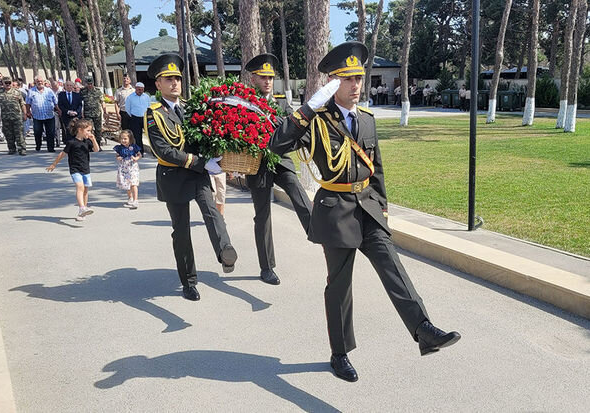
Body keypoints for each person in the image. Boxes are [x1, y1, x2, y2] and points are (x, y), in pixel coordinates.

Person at [270, 41, 461, 383]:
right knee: (339, 286)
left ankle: (423, 330)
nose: (356, 85)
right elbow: (277, 144)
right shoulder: (316, 121)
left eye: (359, 77)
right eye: (347, 79)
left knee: (393, 267)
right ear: (332, 83)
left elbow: (378, 171)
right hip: (335, 211)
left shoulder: (368, 121)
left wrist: (384, 210)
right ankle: (339, 353)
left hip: (369, 209)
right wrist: (307, 109)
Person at [145, 53, 238, 301]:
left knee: (211, 210)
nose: (175, 83)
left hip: (197, 174)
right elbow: (163, 150)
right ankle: (189, 281)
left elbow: (204, 138)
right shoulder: (154, 113)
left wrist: (219, 155)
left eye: (177, 78)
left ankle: (225, 251)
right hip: (174, 176)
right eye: (169, 79)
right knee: (182, 230)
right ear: (158, 84)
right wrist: (200, 162)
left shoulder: (190, 108)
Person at [244, 53, 312, 285]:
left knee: (296, 189)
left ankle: (315, 228)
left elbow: (295, 128)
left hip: (280, 160)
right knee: (262, 216)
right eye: (263, 77)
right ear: (253, 79)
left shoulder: (282, 102)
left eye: (270, 77)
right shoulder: (243, 103)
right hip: (257, 165)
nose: (268, 81)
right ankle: (267, 267)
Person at [46, 118, 99, 221]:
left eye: (90, 131)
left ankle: (83, 211)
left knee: (85, 190)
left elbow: (96, 150)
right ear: (80, 130)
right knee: (80, 187)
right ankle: (82, 208)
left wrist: (93, 139)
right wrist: (54, 164)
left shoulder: (87, 142)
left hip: (86, 169)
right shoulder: (72, 143)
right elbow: (62, 153)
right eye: (88, 130)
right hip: (75, 169)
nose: (90, 133)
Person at [0, 76, 27, 155]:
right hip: (5, 117)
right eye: (6, 83)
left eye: (9, 83)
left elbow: (22, 104)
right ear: (3, 83)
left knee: (19, 133)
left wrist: (25, 114)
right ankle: (11, 148)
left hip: (17, 117)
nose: (8, 84)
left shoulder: (17, 92)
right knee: (8, 134)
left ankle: (22, 149)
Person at [26, 75, 59, 152]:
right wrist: (28, 112)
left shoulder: (49, 91)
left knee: (50, 132)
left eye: (41, 81)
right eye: (38, 81)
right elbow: (28, 103)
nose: (40, 83)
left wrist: (58, 109)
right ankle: (38, 145)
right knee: (37, 132)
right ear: (35, 82)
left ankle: (51, 147)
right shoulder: (31, 91)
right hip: (37, 116)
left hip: (49, 115)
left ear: (43, 82)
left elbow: (55, 102)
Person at [114, 129, 141, 209]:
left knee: (133, 183)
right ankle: (130, 197)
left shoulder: (134, 147)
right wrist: (118, 157)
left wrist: (136, 158)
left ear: (130, 139)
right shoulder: (119, 148)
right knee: (127, 184)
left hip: (132, 166)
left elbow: (139, 155)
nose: (123, 140)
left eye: (125, 139)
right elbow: (117, 155)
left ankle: (136, 200)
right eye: (122, 138)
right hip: (124, 167)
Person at [80, 76, 107, 149]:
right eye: (88, 84)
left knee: (98, 130)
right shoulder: (82, 92)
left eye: (91, 84)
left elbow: (102, 102)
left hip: (97, 114)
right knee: (89, 130)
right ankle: (89, 145)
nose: (89, 85)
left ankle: (97, 145)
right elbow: (79, 102)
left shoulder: (98, 91)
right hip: (88, 114)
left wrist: (105, 112)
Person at [125, 82, 150, 155]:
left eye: (142, 90)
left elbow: (149, 106)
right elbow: (127, 109)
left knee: (150, 135)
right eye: (139, 89)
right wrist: (133, 115)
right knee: (138, 136)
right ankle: (140, 152)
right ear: (135, 89)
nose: (140, 91)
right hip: (135, 118)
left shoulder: (146, 97)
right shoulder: (130, 97)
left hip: (145, 118)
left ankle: (154, 152)